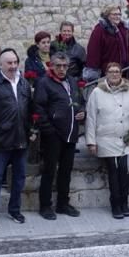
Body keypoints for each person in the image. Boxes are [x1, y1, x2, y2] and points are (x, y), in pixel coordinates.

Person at [0, 48, 33, 227]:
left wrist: (30, 130)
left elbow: (29, 109)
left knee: (19, 178)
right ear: (0, 64)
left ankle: (15, 210)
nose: (12, 66)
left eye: (14, 62)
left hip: (21, 140)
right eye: (8, 63)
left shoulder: (24, 83)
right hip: (1, 142)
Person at [34, 52, 86, 220]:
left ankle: (63, 204)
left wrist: (81, 112)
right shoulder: (44, 83)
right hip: (53, 135)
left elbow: (80, 101)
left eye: (65, 66)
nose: (62, 69)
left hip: (70, 133)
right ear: (52, 66)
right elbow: (39, 109)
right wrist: (49, 130)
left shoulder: (72, 81)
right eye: (58, 66)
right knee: (49, 171)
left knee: (66, 171)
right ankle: (45, 205)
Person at [86, 61, 129, 219]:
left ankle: (124, 202)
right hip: (107, 140)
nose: (114, 74)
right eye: (111, 71)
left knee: (126, 171)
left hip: (127, 139)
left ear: (121, 74)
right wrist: (91, 141)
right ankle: (115, 203)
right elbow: (91, 118)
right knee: (114, 172)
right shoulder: (96, 92)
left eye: (117, 71)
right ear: (106, 74)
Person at [83, 5, 129, 83]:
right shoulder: (99, 30)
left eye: (119, 14)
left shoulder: (123, 29)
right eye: (114, 14)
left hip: (123, 71)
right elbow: (94, 52)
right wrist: (94, 72)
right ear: (107, 15)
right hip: (107, 72)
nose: (117, 16)